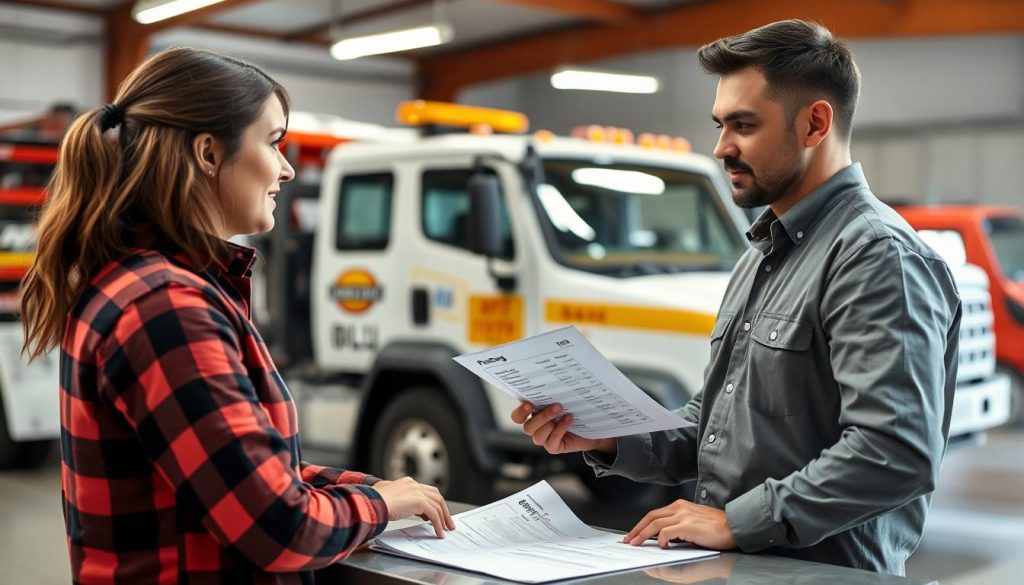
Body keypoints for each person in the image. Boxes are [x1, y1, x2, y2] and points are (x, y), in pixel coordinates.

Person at [511, 19, 959, 575]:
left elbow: (894, 453)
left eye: (743, 125)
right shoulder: (762, 254)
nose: (721, 147)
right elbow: (715, 425)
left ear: (816, 123)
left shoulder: (875, 256)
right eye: (721, 125)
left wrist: (735, 522)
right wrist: (609, 439)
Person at [20, 47, 454, 584]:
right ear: (207, 152)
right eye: (273, 143)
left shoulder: (154, 286)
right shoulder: (166, 308)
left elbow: (245, 462)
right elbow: (279, 525)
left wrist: (373, 489)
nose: (288, 168)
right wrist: (378, 506)